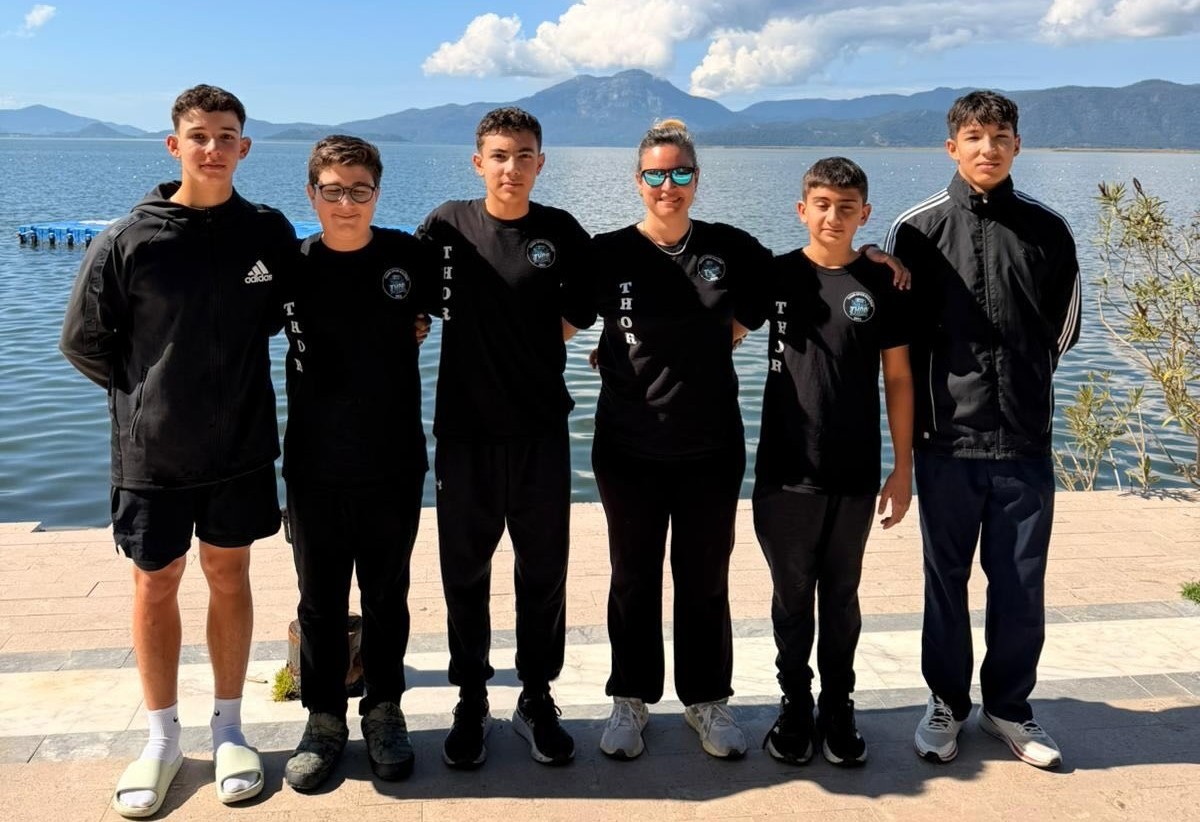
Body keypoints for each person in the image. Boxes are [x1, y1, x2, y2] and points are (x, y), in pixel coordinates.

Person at [59, 85, 295, 817]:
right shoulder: (130, 239)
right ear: (174, 145)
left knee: (230, 572)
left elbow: (288, 315)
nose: (212, 148)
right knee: (156, 581)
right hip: (154, 453)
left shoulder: (267, 231)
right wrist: (145, 397)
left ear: (244, 147)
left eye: (226, 136)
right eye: (199, 135)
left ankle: (229, 729)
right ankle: (162, 738)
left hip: (242, 447)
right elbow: (83, 342)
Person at [885, 90, 1081, 769]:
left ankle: (1009, 708)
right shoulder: (916, 230)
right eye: (974, 137)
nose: (988, 148)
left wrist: (1022, 381)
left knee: (1021, 583)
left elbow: (1062, 330)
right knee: (945, 580)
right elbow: (902, 340)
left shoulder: (1048, 230)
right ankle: (945, 702)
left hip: (1024, 441)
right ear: (952, 147)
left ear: (1017, 145)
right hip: (947, 441)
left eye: (1000, 136)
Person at [584, 119, 770, 761]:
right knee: (632, 576)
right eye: (656, 174)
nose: (669, 186)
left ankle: (706, 699)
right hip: (627, 447)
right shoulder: (607, 252)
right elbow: (550, 308)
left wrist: (876, 255)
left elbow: (795, 275)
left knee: (704, 577)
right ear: (638, 181)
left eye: (681, 173)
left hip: (710, 447)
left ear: (697, 178)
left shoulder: (729, 247)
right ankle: (630, 697)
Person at [416, 107, 593, 769]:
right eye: (498, 154)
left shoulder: (560, 231)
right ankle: (471, 698)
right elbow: (406, 288)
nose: (510, 167)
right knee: (465, 573)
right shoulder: (445, 225)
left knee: (542, 572)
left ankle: (536, 696)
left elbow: (586, 304)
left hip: (540, 432)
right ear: (478, 163)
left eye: (523, 155)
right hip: (465, 434)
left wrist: (539, 339)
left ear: (540, 163)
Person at [281, 135, 434, 790]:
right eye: (333, 190)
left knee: (387, 595)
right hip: (313, 463)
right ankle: (323, 718)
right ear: (312, 194)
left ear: (377, 192)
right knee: (319, 600)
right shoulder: (288, 264)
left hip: (393, 460)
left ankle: (384, 710)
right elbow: (226, 317)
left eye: (360, 190)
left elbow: (479, 303)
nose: (346, 203)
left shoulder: (408, 257)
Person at [754, 156, 913, 768]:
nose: (833, 217)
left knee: (841, 596)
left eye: (847, 208)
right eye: (822, 205)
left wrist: (903, 467)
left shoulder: (882, 284)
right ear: (802, 210)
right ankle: (795, 702)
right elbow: (714, 321)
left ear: (864, 214)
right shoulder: (774, 275)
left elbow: (898, 379)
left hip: (854, 471)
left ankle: (839, 705)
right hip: (785, 471)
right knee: (792, 596)